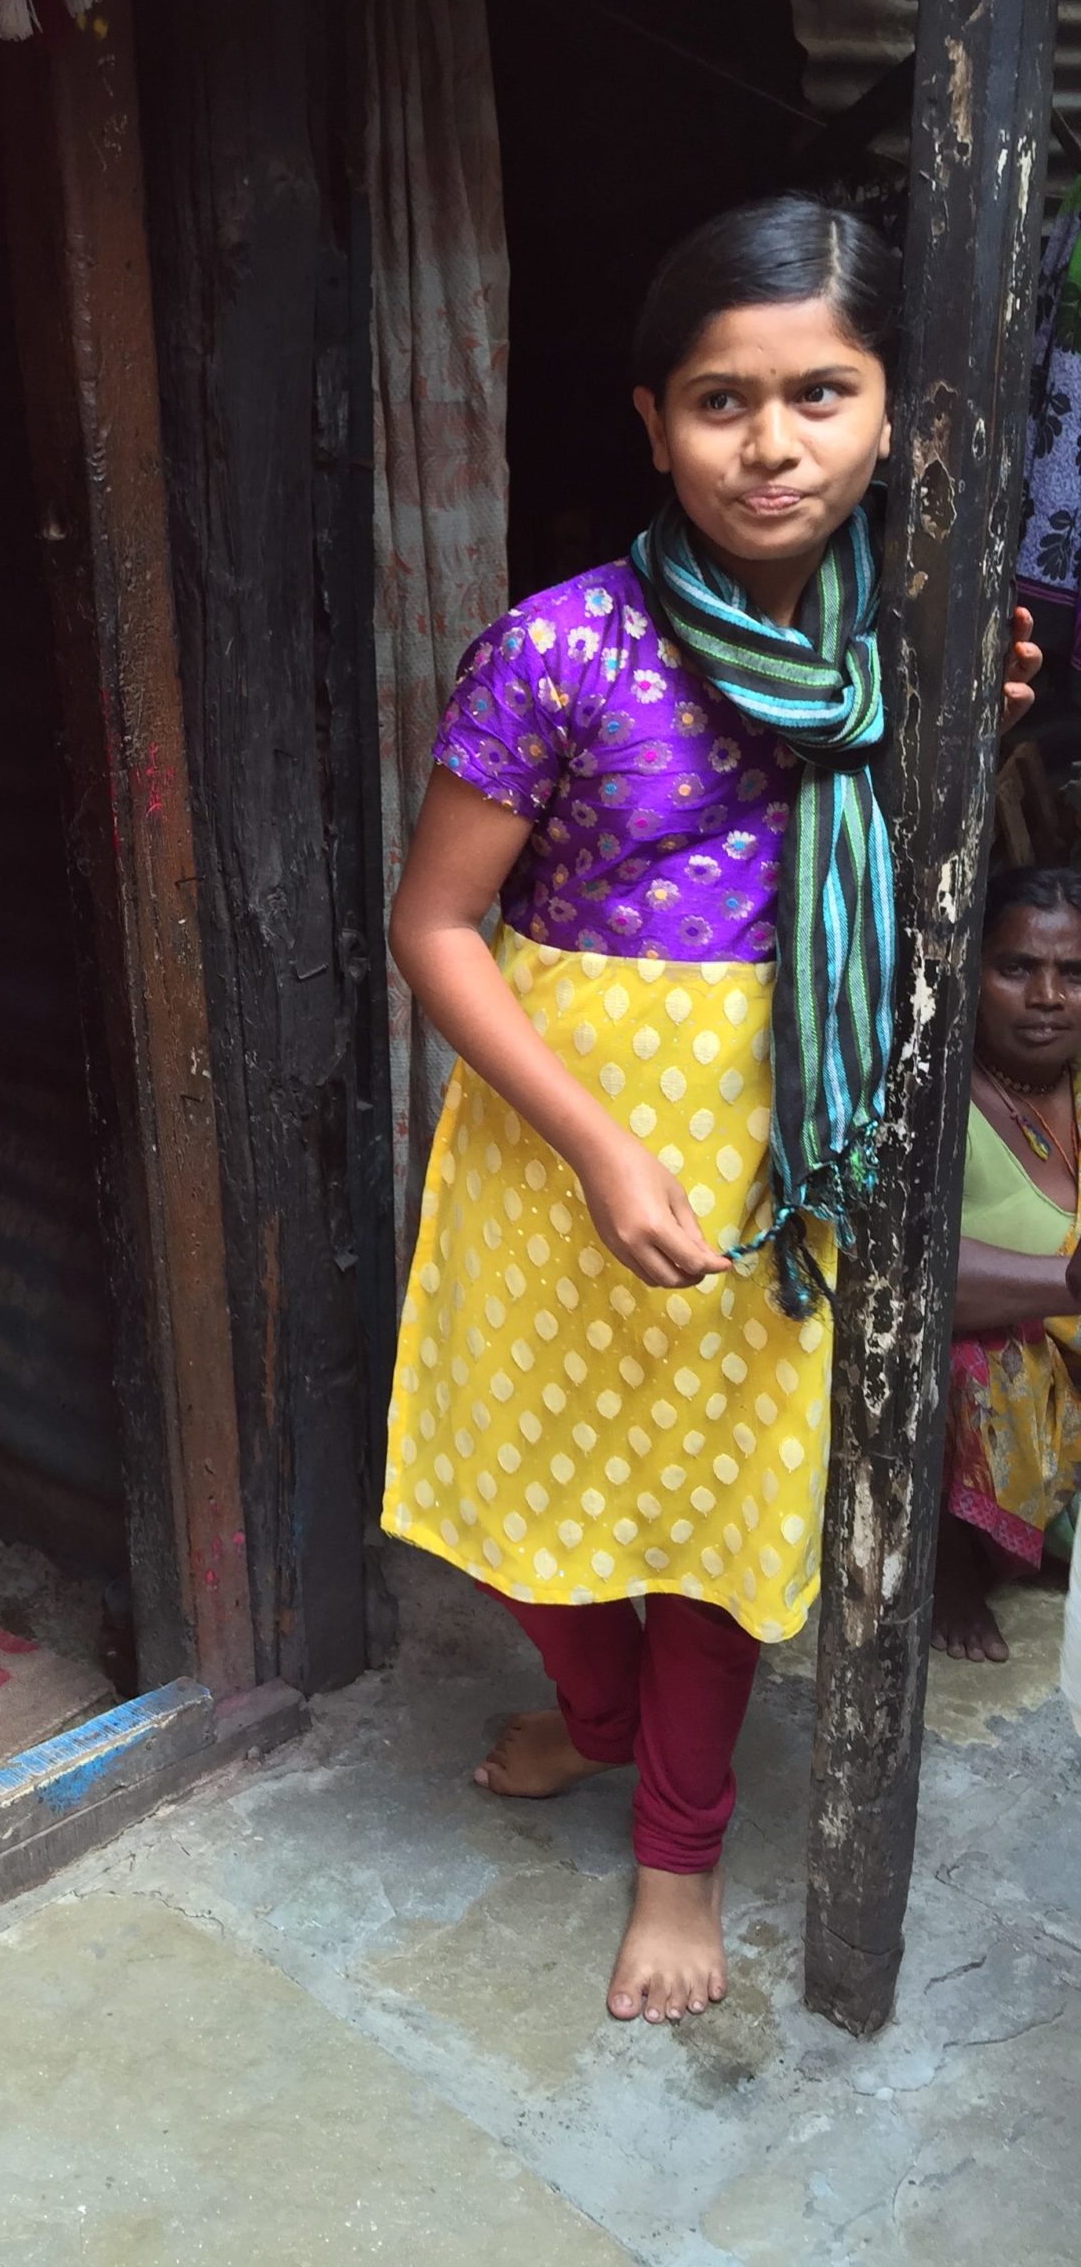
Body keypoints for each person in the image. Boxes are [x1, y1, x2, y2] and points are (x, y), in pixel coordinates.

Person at [384, 195, 1039, 2026]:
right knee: (521, 1495)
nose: (773, 444)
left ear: (895, 411)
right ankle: (592, 1721)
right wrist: (596, 1144)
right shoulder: (561, 653)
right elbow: (436, 928)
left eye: (822, 393)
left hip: (783, 1147)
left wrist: (961, 745)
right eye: (720, 402)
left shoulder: (911, 660)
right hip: (558, 1136)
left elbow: (901, 909)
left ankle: (679, 1855)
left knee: (713, 1527)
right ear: (653, 422)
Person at [933, 865, 1081, 1663]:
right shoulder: (936, 1100)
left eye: (1074, 973)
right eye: (1017, 967)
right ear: (970, 970)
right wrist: (1067, 1286)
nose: (1049, 996)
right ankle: (946, 1569)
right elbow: (915, 1277)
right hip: (1011, 1406)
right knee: (976, 1363)